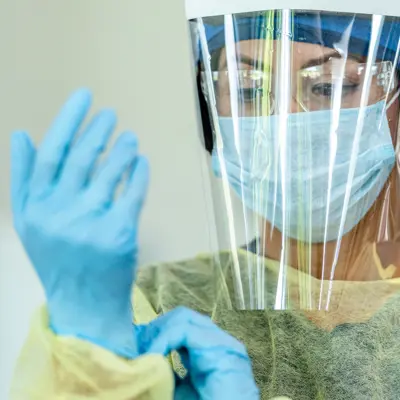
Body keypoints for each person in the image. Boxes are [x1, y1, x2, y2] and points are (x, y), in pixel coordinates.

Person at [8, 8, 400, 400]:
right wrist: (88, 344)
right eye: (248, 90)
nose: (282, 120)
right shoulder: (152, 307)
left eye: (330, 86)